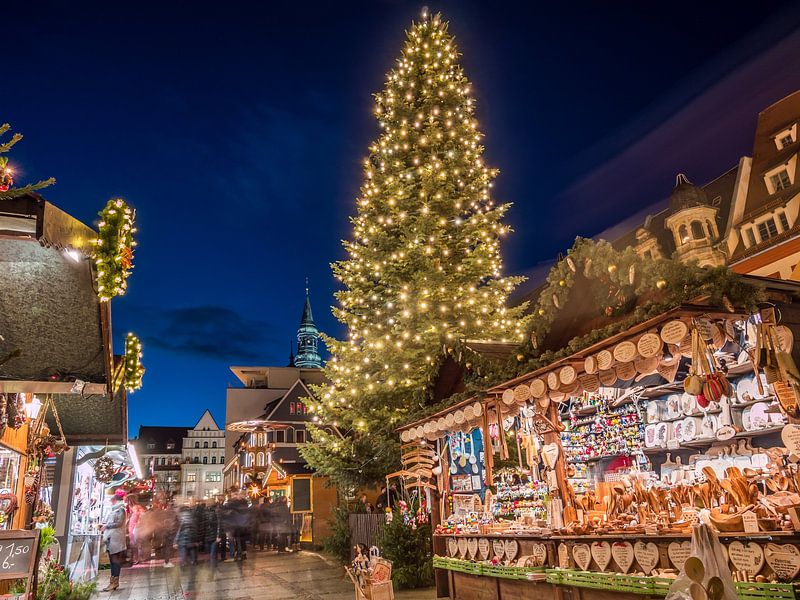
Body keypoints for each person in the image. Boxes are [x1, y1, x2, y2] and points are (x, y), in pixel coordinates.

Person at [101, 490, 127, 592]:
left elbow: (119, 523)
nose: (111, 502)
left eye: (112, 500)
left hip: (116, 539)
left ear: (116, 500)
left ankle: (114, 582)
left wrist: (106, 526)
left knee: (115, 560)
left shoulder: (120, 510)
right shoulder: (114, 510)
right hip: (111, 538)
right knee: (112, 560)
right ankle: (113, 582)